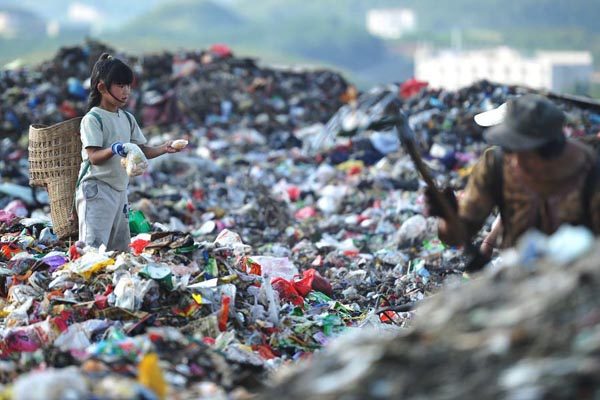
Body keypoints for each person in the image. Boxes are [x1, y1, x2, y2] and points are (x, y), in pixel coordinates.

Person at [427, 94, 600, 253]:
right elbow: (460, 233)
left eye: (525, 153)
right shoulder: (496, 163)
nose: (515, 161)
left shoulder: (588, 168)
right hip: (519, 275)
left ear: (551, 149)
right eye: (509, 149)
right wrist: (448, 218)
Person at [76, 53, 182, 252]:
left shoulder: (126, 118)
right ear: (102, 87)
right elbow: (94, 157)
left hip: (119, 191)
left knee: (119, 249)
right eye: (120, 86)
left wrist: (163, 149)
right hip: (97, 190)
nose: (126, 91)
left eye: (128, 86)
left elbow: (140, 150)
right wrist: (115, 148)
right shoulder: (93, 119)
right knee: (92, 249)